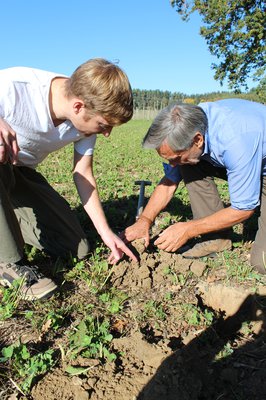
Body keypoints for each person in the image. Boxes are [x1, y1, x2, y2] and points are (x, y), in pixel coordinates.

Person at [0, 58, 137, 300]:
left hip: (18, 174)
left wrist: (106, 233)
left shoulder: (85, 119)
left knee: (75, 246)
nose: (106, 134)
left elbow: (82, 173)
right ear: (78, 107)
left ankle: (6, 221)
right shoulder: (13, 87)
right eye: (104, 125)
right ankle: (9, 262)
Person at [123, 99, 266, 274]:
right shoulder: (192, 123)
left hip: (255, 158)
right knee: (187, 164)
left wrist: (189, 229)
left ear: (198, 140)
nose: (172, 165)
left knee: (262, 263)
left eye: (174, 158)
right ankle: (215, 240)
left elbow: (244, 208)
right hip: (244, 157)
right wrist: (144, 221)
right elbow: (169, 182)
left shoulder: (235, 140)